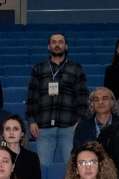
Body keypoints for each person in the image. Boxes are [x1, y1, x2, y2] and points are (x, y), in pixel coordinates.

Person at [25, 33, 89, 166]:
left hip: (69, 127)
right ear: (48, 46)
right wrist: (31, 121)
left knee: (72, 167)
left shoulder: (76, 68)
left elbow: (82, 96)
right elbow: (32, 97)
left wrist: (81, 120)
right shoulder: (39, 68)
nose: (57, 45)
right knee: (42, 167)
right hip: (44, 126)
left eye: (60, 42)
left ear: (66, 46)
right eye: (54, 42)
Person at [0, 115, 42, 179]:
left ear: (22, 133)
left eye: (15, 129)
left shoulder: (32, 157)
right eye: (7, 129)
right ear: (3, 134)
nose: (11, 133)